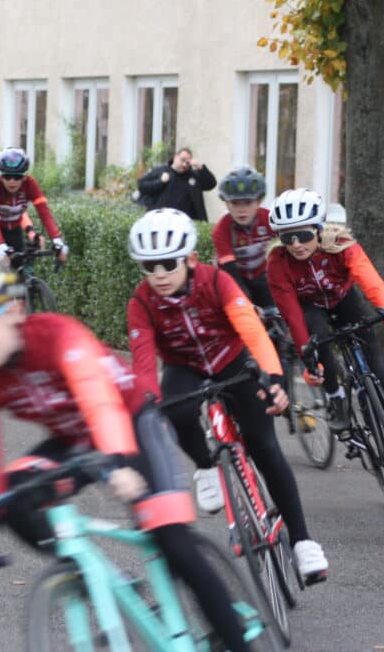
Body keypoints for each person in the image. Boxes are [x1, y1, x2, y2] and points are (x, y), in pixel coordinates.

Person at [0, 252, 255, 652]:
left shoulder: (57, 335)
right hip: (75, 440)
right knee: (11, 495)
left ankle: (239, 642)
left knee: (173, 542)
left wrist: (118, 461)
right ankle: (99, 579)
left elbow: (99, 399)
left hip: (130, 421)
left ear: (15, 309)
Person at [126, 208, 329, 584]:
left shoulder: (217, 281)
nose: (158, 275)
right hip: (183, 366)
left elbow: (252, 331)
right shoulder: (141, 303)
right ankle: (206, 467)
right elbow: (142, 364)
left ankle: (303, 543)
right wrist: (146, 404)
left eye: (168, 264)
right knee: (176, 411)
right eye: (148, 267)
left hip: (232, 361)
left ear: (189, 259)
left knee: (265, 447)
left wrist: (273, 378)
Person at [265, 188, 384, 490]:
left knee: (378, 370)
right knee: (317, 340)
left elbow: (370, 281)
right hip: (310, 309)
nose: (295, 244)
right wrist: (308, 354)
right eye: (287, 237)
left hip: (344, 300)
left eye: (303, 235)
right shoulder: (278, 264)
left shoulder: (341, 245)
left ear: (318, 229)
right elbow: (291, 312)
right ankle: (335, 400)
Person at [0, 147, 67, 263]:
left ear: (24, 176)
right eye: (7, 176)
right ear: (1, 176)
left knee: (19, 270)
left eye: (17, 177)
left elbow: (44, 213)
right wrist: (0, 245)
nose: (12, 181)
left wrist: (57, 240)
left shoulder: (30, 184)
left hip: (15, 231)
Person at [211, 166, 275, 308]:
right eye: (234, 203)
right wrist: (245, 300)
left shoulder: (269, 219)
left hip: (261, 276)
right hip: (234, 277)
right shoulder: (221, 229)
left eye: (248, 202)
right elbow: (230, 270)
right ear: (227, 204)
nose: (241, 209)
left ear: (258, 201)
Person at [137, 147, 217, 222]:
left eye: (188, 163)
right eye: (182, 160)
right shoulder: (160, 171)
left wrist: (200, 167)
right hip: (161, 221)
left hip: (187, 223)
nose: (184, 165)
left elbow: (211, 184)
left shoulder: (193, 176)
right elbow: (142, 186)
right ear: (175, 157)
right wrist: (160, 182)